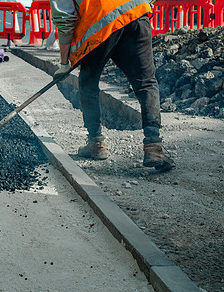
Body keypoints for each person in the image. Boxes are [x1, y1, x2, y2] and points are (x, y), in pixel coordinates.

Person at [51, 0, 175, 171]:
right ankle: (154, 146)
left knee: (88, 82)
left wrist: (64, 63)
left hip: (98, 24)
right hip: (135, 13)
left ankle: (95, 142)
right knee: (146, 82)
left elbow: (65, 18)